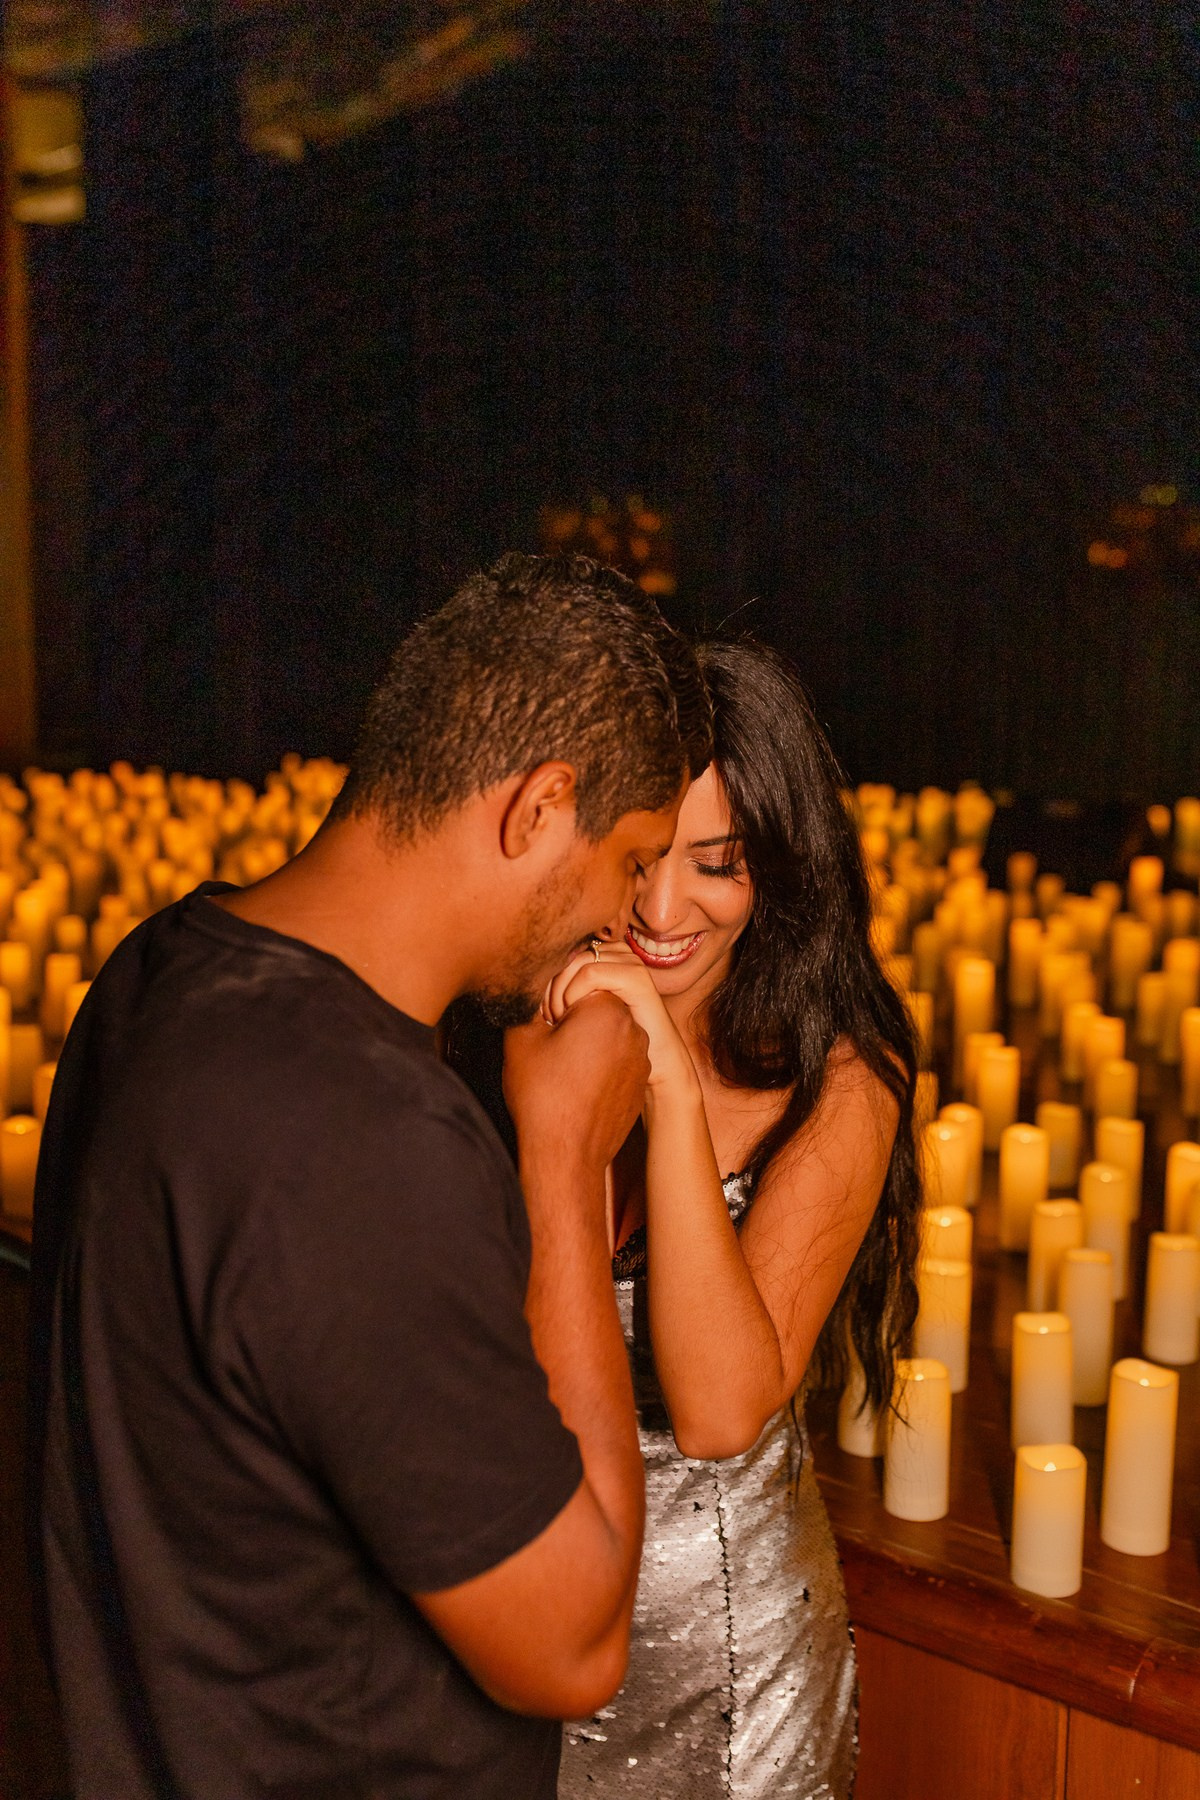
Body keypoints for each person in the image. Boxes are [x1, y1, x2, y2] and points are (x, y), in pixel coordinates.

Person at [27, 552, 713, 1800]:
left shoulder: (156, 969)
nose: (626, 920)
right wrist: (565, 1157)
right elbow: (571, 1647)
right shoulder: (358, 1134)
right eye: (630, 859)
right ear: (539, 808)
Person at [537, 638, 922, 1797]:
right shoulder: (527, 1020)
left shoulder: (845, 1083)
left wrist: (663, 1077)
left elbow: (718, 1411)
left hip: (729, 1657)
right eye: (647, 857)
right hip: (529, 1617)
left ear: (781, 870)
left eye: (720, 864)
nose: (663, 910)